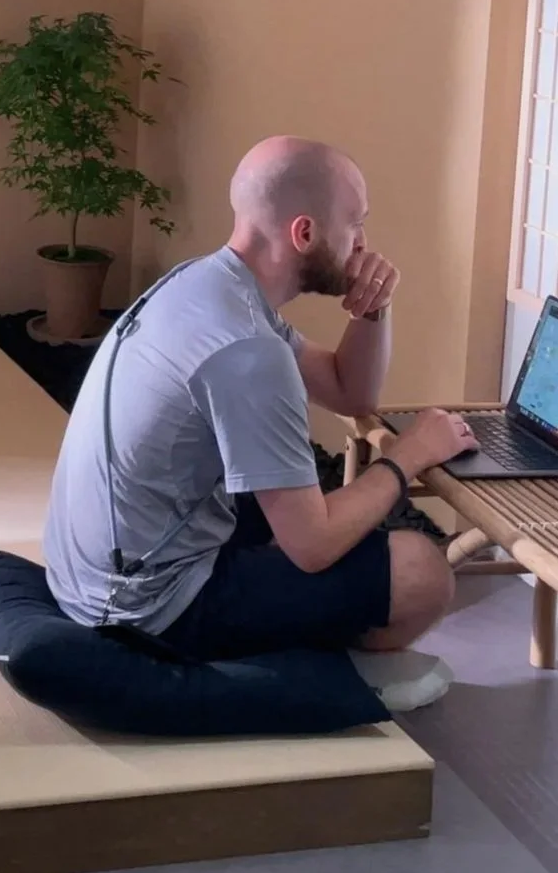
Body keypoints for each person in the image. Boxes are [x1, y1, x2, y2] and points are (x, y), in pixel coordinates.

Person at [42, 135, 478, 712]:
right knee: (424, 571)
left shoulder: (206, 284)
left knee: (306, 499)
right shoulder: (246, 348)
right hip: (146, 608)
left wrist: (374, 309)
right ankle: (305, 665)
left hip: (95, 568)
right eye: (355, 226)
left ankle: (289, 617)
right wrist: (410, 455)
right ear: (304, 234)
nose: (365, 244)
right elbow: (312, 546)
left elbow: (351, 392)